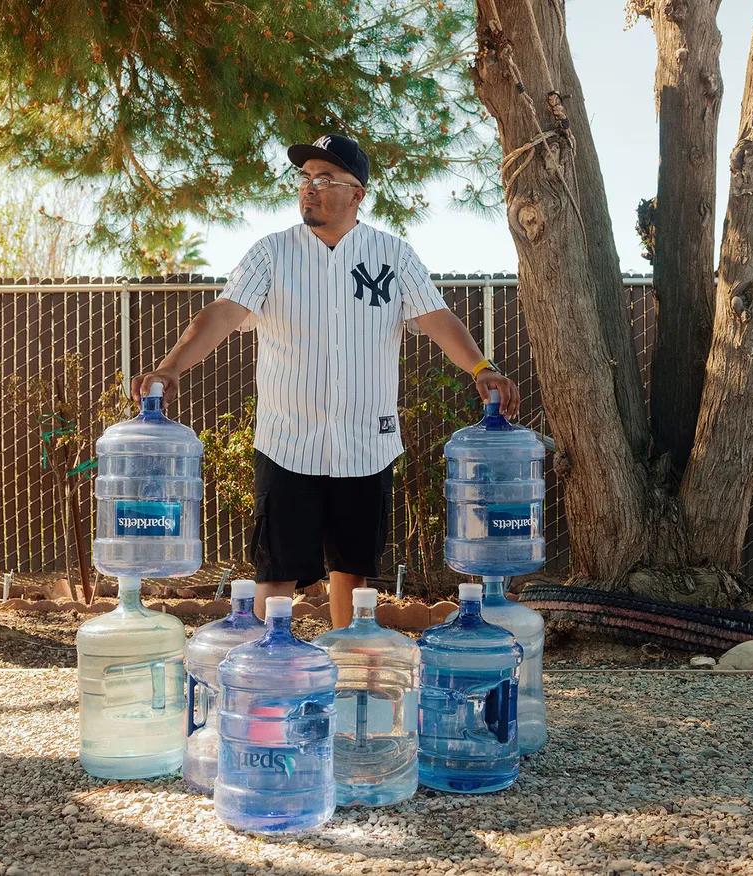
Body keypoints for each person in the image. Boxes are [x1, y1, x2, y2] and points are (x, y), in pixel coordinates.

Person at [132, 133, 520, 627]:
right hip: (288, 441)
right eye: (304, 178)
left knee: (353, 571)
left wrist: (481, 368)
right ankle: (269, 678)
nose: (309, 188)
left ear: (357, 194)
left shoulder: (393, 255)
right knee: (276, 570)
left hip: (366, 443)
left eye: (324, 179)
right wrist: (170, 366)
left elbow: (438, 316)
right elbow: (222, 313)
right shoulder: (271, 254)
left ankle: (346, 670)